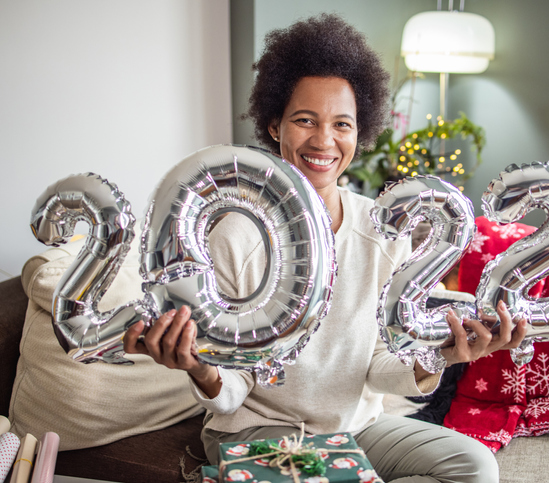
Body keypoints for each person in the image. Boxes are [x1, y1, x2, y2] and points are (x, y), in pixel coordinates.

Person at [124, 14, 527, 483]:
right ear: (275, 125)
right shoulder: (234, 236)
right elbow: (232, 390)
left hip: (358, 429)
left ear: (361, 131)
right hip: (256, 431)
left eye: (342, 124)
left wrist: (439, 356)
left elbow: (380, 364)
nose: (324, 141)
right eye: (304, 120)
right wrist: (198, 367)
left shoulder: (383, 230)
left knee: (475, 466)